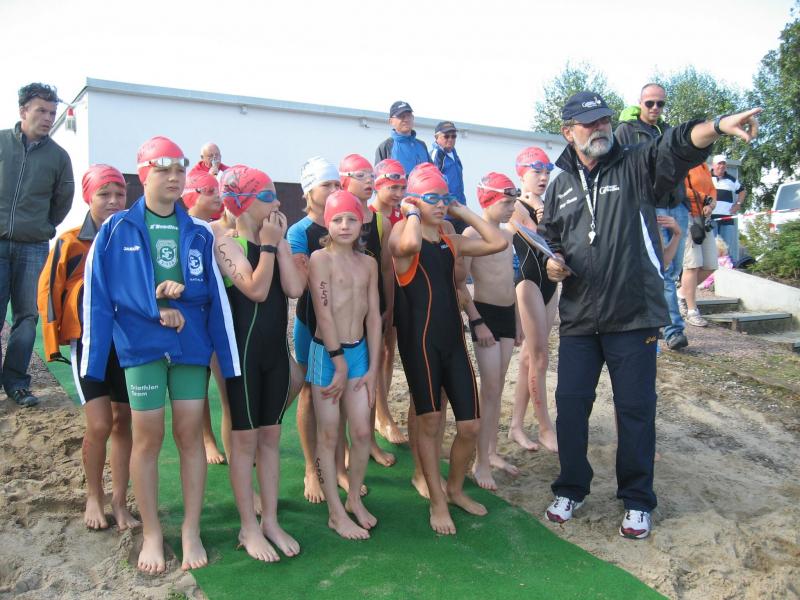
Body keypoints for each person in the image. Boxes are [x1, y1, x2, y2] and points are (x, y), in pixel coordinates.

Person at [540, 91, 759, 539]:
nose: (600, 127)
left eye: (604, 119)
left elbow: (677, 145)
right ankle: (571, 488)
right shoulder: (559, 184)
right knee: (571, 407)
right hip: (579, 317)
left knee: (635, 410)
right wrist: (552, 261)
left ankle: (638, 500)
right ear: (568, 132)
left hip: (634, 314)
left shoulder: (636, 163)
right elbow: (550, 237)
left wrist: (717, 125)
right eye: (589, 123)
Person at [81, 136, 241, 573]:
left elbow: (216, 298)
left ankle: (190, 529)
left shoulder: (200, 230)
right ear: (143, 174)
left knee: (189, 435)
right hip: (141, 346)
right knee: (147, 438)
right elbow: (100, 296)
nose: (173, 177)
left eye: (179, 169)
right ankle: (152, 532)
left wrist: (185, 299)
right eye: (162, 169)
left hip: (189, 346)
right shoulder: (115, 230)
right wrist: (154, 306)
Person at [390, 165, 507, 535]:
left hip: (454, 343)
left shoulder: (451, 239)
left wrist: (460, 209)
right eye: (432, 198)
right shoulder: (401, 232)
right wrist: (412, 212)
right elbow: (409, 247)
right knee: (430, 422)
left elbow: (497, 242)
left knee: (470, 426)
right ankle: (437, 502)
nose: (440, 205)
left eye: (444, 198)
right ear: (414, 201)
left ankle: (454, 489)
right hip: (420, 344)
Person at [38, 164, 138, 531]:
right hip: (89, 344)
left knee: (124, 419)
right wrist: (54, 342)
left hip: (126, 344)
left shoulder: (133, 239)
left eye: (119, 194)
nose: (113, 201)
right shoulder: (70, 242)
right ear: (87, 197)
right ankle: (94, 495)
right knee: (99, 424)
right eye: (104, 194)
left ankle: (120, 501)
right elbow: (49, 292)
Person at [214, 165, 304, 562]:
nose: (277, 201)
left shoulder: (275, 241)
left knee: (271, 439)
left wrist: (279, 245)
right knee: (244, 442)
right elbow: (255, 289)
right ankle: (248, 527)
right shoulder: (227, 244)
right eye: (268, 196)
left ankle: (270, 521)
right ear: (245, 203)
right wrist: (267, 247)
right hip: (244, 359)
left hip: (274, 356)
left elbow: (295, 288)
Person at [307, 190, 382, 539]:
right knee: (329, 432)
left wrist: (373, 368)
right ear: (327, 223)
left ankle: (353, 498)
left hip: (359, 353)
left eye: (351, 218)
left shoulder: (368, 263)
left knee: (363, 432)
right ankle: (335, 513)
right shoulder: (320, 259)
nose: (345, 225)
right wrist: (338, 363)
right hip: (327, 354)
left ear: (362, 221)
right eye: (337, 219)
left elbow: (374, 318)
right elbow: (323, 313)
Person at [1, 82, 74, 407]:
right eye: (41, 111)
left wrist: (42, 226)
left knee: (27, 316)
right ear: (23, 111)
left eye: (52, 112)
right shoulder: (2, 143)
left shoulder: (59, 157)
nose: (47, 118)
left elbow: (63, 200)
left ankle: (17, 383)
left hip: (33, 247)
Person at [287, 156, 352, 503]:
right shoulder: (300, 232)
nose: (334, 189)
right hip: (310, 324)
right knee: (311, 394)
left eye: (337, 184)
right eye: (327, 184)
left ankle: (338, 467)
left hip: (343, 325)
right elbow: (302, 284)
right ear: (308, 191)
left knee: (340, 395)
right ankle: (311, 469)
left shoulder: (344, 224)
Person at [616, 83, 690, 351]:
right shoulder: (626, 130)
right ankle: (672, 330)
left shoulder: (668, 131)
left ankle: (660, 326)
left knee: (673, 270)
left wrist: (686, 203)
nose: (655, 108)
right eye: (650, 103)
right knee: (663, 271)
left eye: (660, 103)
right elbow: (618, 168)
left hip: (676, 205)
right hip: (650, 206)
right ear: (640, 103)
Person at [463, 172, 521, 490]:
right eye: (507, 203)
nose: (512, 208)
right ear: (488, 201)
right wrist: (476, 320)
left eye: (513, 203)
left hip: (507, 315)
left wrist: (519, 322)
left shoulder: (508, 235)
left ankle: (491, 452)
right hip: (484, 315)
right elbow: (460, 284)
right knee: (490, 388)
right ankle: (480, 462)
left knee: (497, 390)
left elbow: (509, 282)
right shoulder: (472, 234)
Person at [339, 154, 396, 466]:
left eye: (370, 175)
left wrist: (389, 308)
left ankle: (370, 440)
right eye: (360, 175)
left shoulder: (380, 221)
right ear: (344, 178)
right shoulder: (338, 218)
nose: (368, 180)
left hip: (372, 309)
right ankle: (345, 446)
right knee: (342, 376)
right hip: (343, 313)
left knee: (370, 374)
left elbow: (387, 270)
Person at [507, 147, 559, 453]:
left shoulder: (548, 204)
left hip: (550, 284)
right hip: (528, 283)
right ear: (521, 174)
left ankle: (516, 426)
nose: (543, 177)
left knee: (530, 357)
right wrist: (540, 210)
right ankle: (544, 427)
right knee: (539, 357)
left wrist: (543, 208)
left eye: (547, 172)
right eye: (536, 171)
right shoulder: (514, 205)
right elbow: (539, 238)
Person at [183, 170, 229, 464]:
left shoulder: (217, 228)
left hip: (218, 314)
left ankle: (232, 438)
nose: (218, 196)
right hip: (193, 317)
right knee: (199, 380)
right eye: (210, 191)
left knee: (225, 381)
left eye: (219, 191)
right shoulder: (183, 228)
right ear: (192, 195)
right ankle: (207, 437)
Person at [369, 159, 407, 446]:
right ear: (378, 185)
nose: (398, 193)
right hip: (378, 290)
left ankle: (382, 410)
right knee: (378, 352)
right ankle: (381, 416)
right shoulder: (367, 217)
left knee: (389, 351)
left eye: (402, 188)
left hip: (400, 288)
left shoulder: (403, 215)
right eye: (392, 187)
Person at [678, 163, 718, 327]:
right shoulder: (683, 164)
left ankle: (680, 294)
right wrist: (703, 198)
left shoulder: (704, 167)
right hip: (688, 216)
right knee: (692, 265)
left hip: (703, 219)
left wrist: (710, 204)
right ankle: (691, 311)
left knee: (711, 264)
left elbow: (713, 190)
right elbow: (680, 189)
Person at [430, 121, 467, 234]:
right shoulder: (436, 154)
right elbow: (431, 184)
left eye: (453, 136)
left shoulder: (454, 154)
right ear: (436, 137)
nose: (450, 139)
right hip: (446, 213)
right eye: (446, 136)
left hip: (459, 209)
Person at [375, 101, 430, 175]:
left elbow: (432, 172)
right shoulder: (385, 147)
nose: (406, 119)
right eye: (401, 116)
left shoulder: (422, 145)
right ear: (391, 121)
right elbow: (379, 177)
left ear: (413, 118)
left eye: (409, 115)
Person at [711, 154, 744, 263]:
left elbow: (742, 191)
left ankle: (727, 266)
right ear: (713, 165)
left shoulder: (731, 179)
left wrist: (738, 204)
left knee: (727, 246)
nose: (722, 166)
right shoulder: (707, 177)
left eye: (724, 163)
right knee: (711, 246)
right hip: (711, 217)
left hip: (727, 217)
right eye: (719, 163)